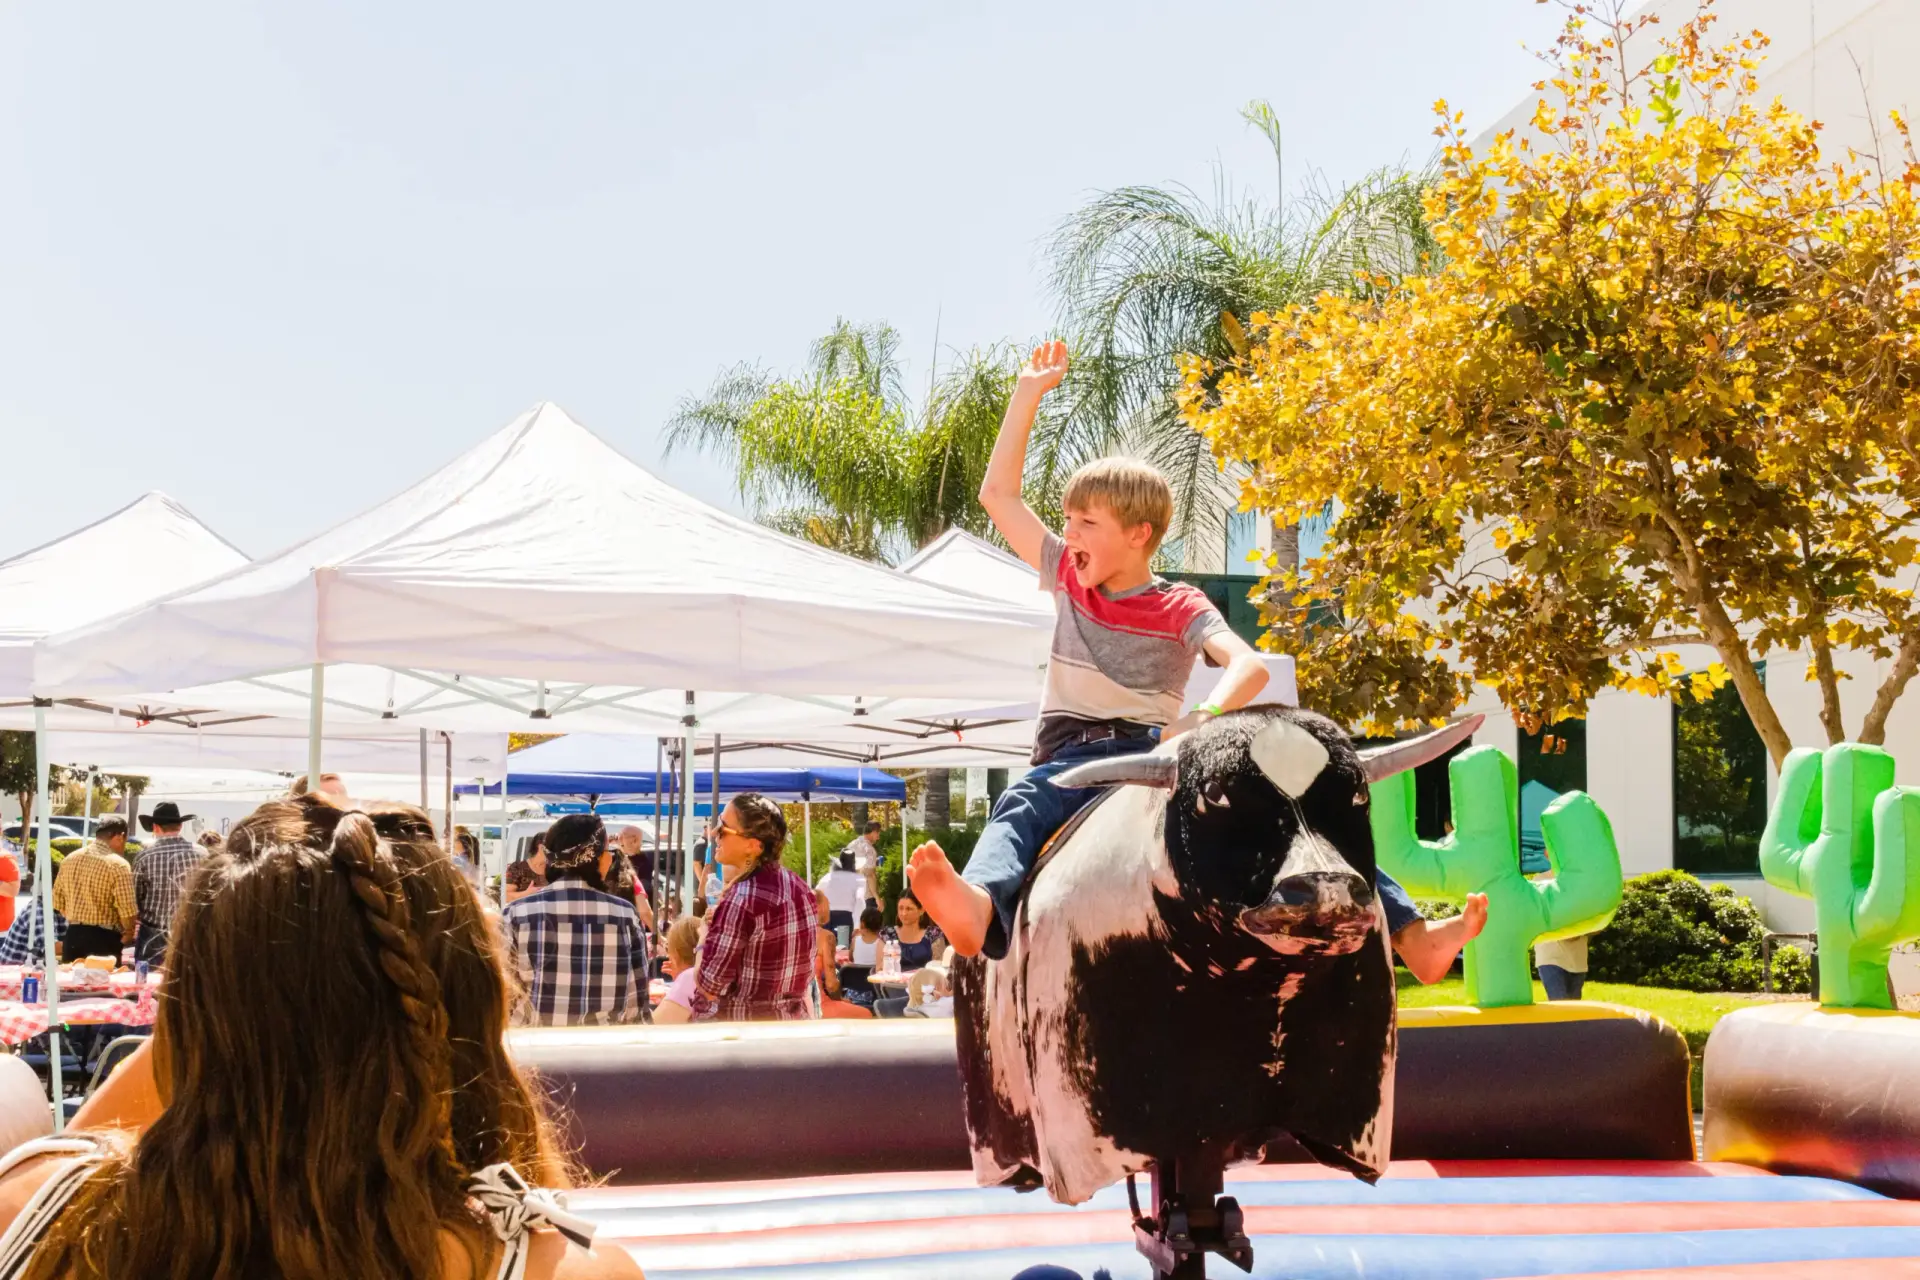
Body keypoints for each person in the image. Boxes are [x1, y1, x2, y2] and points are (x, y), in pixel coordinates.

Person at [0, 794, 641, 1280]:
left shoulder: (43, 1210)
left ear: (187, 1010)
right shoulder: (561, 1264)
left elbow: (77, 1146)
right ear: (473, 1012)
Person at [907, 341, 1271, 958]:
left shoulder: (1180, 605)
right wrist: (1027, 393)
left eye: (1086, 523)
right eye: (1067, 520)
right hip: (1070, 761)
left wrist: (1203, 719)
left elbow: (1250, 665)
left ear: (1139, 535)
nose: (1068, 534)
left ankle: (1405, 928)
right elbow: (999, 496)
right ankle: (979, 904)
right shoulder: (1069, 578)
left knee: (1285, 805)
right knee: (1023, 802)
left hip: (1152, 757)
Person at [501, 814, 651, 1027]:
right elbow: (637, 1008)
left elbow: (501, 998)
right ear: (601, 858)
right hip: (604, 1053)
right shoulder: (625, 917)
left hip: (534, 1052)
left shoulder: (516, 915)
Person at [691, 794, 815, 1022]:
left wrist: (703, 938)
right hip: (792, 1030)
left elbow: (709, 985)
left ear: (753, 845)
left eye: (724, 828)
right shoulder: (800, 887)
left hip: (743, 1036)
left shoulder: (741, 899)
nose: (715, 832)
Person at [52, 816, 136, 963]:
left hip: (73, 935)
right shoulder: (118, 865)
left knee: (71, 983)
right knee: (102, 984)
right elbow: (127, 910)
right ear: (120, 836)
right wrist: (128, 933)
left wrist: (77, 917)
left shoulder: (69, 859)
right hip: (104, 938)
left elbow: (58, 903)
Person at [133, 802, 204, 966]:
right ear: (180, 826)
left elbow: (135, 898)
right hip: (190, 931)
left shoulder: (144, 856)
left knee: (146, 986)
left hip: (152, 933)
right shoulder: (201, 854)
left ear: (155, 827)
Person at [810, 890, 872, 1020]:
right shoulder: (825, 936)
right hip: (817, 1006)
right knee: (867, 1014)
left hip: (795, 1006)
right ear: (819, 907)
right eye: (828, 904)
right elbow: (831, 985)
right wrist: (840, 1000)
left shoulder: (787, 934)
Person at [652, 916, 704, 1025]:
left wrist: (681, 981)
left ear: (676, 953)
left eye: (668, 948)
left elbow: (655, 1025)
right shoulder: (711, 973)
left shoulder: (690, 977)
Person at [881, 891, 946, 971]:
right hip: (893, 982)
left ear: (921, 910)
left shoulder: (934, 934)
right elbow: (880, 968)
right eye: (900, 908)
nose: (904, 913)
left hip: (924, 982)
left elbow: (938, 969)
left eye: (909, 909)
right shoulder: (887, 934)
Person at [815, 851, 865, 939]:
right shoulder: (859, 879)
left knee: (827, 948)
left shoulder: (827, 877)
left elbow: (816, 896)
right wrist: (857, 925)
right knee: (843, 948)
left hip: (826, 917)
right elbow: (860, 900)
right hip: (846, 919)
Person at [1536, 931, 1590, 1000]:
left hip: (1577, 962)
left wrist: (1580, 931)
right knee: (1560, 1006)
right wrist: (1584, 929)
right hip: (1551, 959)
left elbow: (1598, 927)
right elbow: (1568, 936)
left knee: (1573, 1009)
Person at [841, 821, 883, 905]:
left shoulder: (851, 845)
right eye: (878, 833)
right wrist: (877, 897)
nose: (878, 837)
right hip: (866, 896)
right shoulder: (869, 850)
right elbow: (870, 875)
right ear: (873, 832)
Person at [505, 832, 548, 904]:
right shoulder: (517, 867)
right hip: (523, 913)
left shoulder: (555, 868)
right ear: (541, 847)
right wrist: (526, 894)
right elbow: (506, 897)